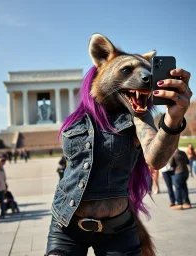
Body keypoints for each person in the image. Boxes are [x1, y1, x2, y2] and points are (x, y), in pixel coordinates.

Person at [45, 34, 192, 256]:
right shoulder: (77, 121)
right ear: (101, 64)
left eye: (147, 73)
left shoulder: (138, 119)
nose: (145, 76)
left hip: (118, 229)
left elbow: (157, 158)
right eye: (126, 70)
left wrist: (173, 119)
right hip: (66, 224)